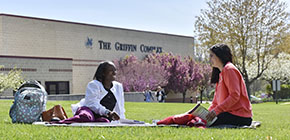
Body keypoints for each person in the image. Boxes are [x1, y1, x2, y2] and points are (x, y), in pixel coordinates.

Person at [58, 61, 125, 123]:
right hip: (88, 111)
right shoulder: (94, 85)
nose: (114, 72)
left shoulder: (118, 87)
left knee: (105, 121)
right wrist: (107, 112)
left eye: (115, 70)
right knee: (86, 117)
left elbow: (120, 108)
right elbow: (92, 104)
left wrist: (122, 121)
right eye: (111, 70)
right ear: (103, 73)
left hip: (104, 116)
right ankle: (60, 122)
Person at [206, 44, 252, 127]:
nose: (210, 59)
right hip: (228, 113)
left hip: (240, 116)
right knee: (201, 120)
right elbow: (216, 102)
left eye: (212, 56)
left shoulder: (229, 69)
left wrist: (216, 111)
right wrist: (208, 113)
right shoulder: (221, 74)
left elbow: (234, 95)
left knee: (204, 123)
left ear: (220, 56)